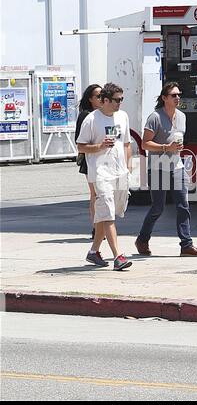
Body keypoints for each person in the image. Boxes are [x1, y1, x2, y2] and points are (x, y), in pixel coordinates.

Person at [135, 81, 197, 257]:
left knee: (183, 205)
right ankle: (142, 239)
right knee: (158, 207)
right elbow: (145, 144)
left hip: (177, 166)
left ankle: (186, 245)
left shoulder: (182, 116)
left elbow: (178, 141)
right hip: (158, 167)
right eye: (174, 95)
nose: (177, 98)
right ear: (164, 98)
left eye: (179, 94)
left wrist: (176, 148)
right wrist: (165, 147)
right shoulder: (155, 117)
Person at [76, 82, 133, 271]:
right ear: (105, 100)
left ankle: (93, 251)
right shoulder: (91, 120)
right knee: (108, 213)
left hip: (120, 172)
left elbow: (126, 143)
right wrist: (99, 146)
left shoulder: (123, 117)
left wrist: (129, 165)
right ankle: (118, 257)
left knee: (108, 211)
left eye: (121, 99)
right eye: (117, 100)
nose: (120, 103)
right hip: (100, 173)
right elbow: (81, 147)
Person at [75, 84, 103, 240]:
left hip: (105, 159)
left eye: (102, 95)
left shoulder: (104, 114)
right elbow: (79, 141)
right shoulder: (85, 115)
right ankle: (95, 227)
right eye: (97, 96)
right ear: (90, 99)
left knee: (102, 193)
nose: (101, 98)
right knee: (95, 193)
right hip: (90, 159)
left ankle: (101, 225)